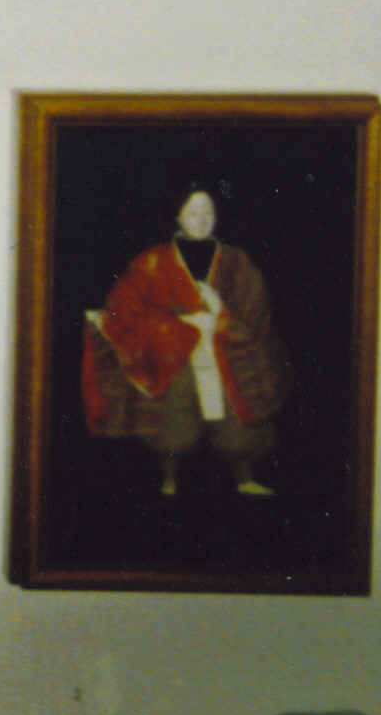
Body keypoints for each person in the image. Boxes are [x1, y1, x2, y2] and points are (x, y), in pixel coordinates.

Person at [84, 184, 285, 496]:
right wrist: (176, 326)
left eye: (208, 212)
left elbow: (256, 313)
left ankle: (244, 478)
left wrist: (221, 318)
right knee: (175, 424)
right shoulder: (152, 262)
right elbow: (123, 310)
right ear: (178, 216)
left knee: (237, 425)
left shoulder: (237, 262)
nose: (201, 220)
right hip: (176, 355)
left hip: (224, 352)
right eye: (193, 212)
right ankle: (169, 480)